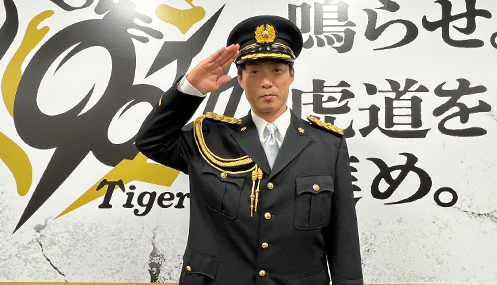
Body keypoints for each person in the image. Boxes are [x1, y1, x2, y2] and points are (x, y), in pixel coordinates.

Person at [135, 15, 363, 285]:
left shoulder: (327, 145)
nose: (266, 82)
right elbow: (151, 140)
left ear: (291, 75)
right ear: (240, 79)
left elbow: (343, 237)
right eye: (254, 72)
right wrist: (190, 89)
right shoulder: (209, 139)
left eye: (277, 70)